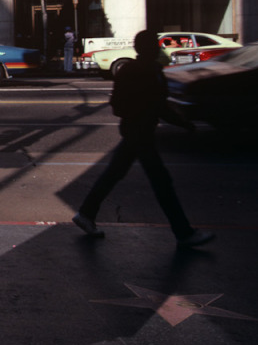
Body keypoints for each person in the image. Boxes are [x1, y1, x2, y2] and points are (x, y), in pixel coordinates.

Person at [72, 30, 214, 249]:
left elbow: (160, 105)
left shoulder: (153, 70)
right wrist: (151, 114)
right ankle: (183, 232)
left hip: (139, 132)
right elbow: (120, 106)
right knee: (161, 182)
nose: (158, 49)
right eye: (153, 45)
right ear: (144, 49)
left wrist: (180, 122)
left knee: (114, 174)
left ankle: (86, 213)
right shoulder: (133, 71)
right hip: (138, 133)